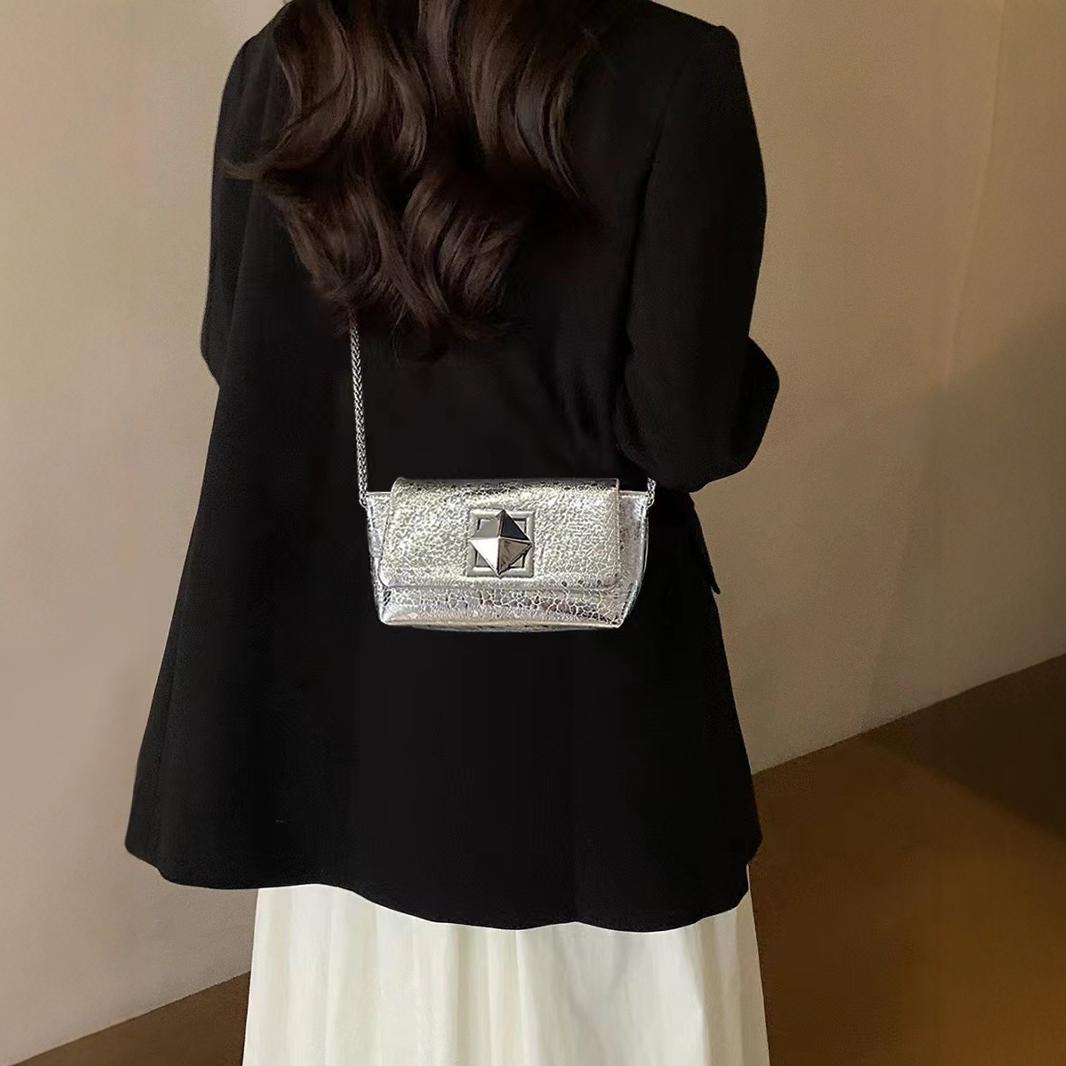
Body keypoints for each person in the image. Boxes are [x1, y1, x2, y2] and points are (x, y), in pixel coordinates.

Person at [125, 1, 780, 1062]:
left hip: (351, 684)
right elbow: (683, 430)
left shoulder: (290, 60)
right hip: (579, 697)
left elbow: (233, 347)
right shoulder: (675, 69)